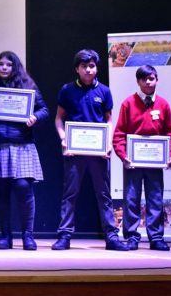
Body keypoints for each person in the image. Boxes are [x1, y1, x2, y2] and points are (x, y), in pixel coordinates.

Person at [53, 49, 129, 251]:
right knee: (70, 195)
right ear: (77, 69)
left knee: (104, 195)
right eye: (84, 66)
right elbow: (59, 118)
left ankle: (112, 237)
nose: (88, 69)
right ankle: (64, 236)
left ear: (96, 68)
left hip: (99, 152)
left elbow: (109, 120)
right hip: (74, 152)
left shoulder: (104, 91)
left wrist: (109, 143)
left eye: (92, 66)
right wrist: (63, 140)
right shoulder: (67, 90)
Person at [0, 51, 48, 250]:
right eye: (1, 64)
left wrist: (35, 117)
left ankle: (28, 235)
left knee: (24, 189)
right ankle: (5, 236)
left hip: (22, 146)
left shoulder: (28, 85)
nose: (4, 68)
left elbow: (44, 109)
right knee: (0, 193)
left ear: (15, 67)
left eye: (8, 65)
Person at [112, 65, 171, 251]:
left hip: (155, 162)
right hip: (132, 162)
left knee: (155, 199)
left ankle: (156, 238)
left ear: (157, 80)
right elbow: (119, 133)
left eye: (152, 78)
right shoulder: (128, 103)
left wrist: (170, 154)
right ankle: (132, 237)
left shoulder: (163, 104)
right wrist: (123, 156)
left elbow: (169, 133)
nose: (148, 82)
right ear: (138, 82)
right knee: (131, 199)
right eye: (144, 79)